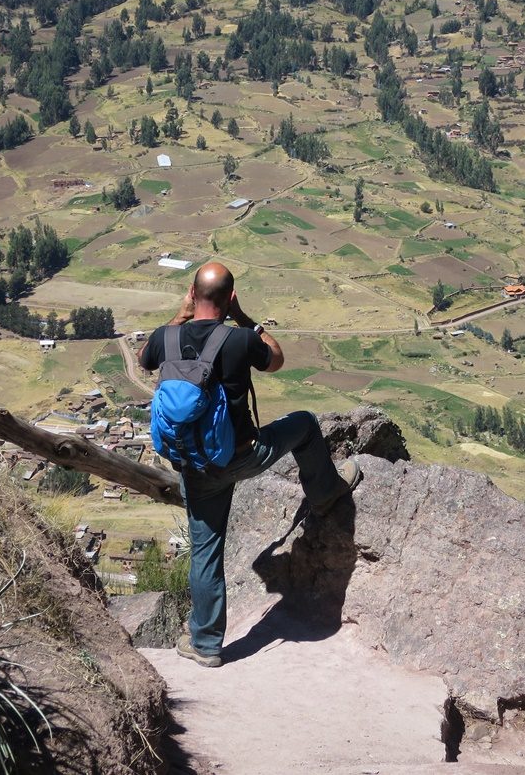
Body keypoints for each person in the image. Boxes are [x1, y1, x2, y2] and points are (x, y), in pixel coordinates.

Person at [139, 262, 360, 668]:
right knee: (307, 425)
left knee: (206, 552)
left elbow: (143, 360)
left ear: (192, 292)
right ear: (231, 298)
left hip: (194, 466)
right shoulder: (239, 339)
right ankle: (327, 494)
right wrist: (245, 320)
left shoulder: (164, 337)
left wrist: (179, 314)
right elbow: (275, 359)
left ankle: (205, 645)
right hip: (244, 457)